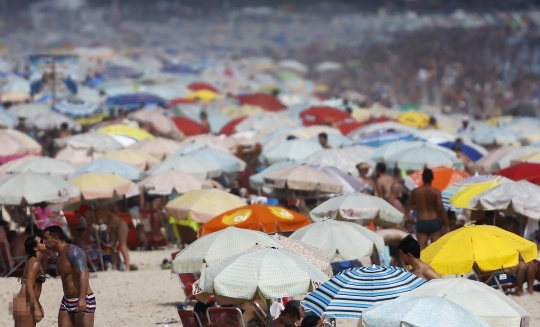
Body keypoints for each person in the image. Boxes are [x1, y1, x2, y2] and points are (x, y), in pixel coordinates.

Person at [43, 225, 95, 327]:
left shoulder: (73, 252)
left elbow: (84, 274)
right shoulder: (59, 255)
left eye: (46, 238)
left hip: (83, 298)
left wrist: (82, 299)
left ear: (56, 239)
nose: (44, 241)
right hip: (67, 300)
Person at [405, 168, 449, 250]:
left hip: (421, 221)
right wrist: (446, 225)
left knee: (421, 249)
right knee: (436, 249)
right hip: (434, 221)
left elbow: (408, 206)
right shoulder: (435, 192)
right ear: (432, 178)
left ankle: (421, 263)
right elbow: (441, 209)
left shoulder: (416, 192)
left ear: (422, 178)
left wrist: (408, 218)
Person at [11, 235, 48, 326]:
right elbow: (29, 285)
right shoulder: (34, 263)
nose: (45, 242)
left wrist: (38, 304)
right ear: (35, 248)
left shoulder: (35, 261)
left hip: (26, 301)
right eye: (42, 241)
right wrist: (36, 307)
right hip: (25, 303)